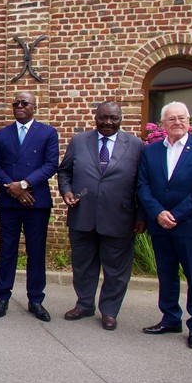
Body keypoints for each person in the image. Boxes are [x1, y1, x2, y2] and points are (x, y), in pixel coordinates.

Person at [137, 101, 192, 349]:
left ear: (189, 121)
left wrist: (176, 214)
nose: (177, 123)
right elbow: (143, 185)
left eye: (182, 118)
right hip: (160, 225)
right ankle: (170, 318)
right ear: (162, 124)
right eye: (171, 119)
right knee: (166, 276)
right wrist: (158, 213)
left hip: (191, 226)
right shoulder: (151, 151)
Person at [57, 101, 145, 331]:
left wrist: (142, 214)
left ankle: (109, 311)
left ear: (121, 119)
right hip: (82, 214)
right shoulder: (79, 141)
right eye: (103, 117)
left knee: (116, 269)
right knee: (83, 265)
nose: (107, 122)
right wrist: (66, 191)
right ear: (95, 117)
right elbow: (65, 171)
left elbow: (143, 183)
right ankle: (84, 304)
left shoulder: (136, 145)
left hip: (120, 217)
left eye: (113, 118)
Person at [0, 92, 58, 321]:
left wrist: (25, 184)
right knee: (7, 251)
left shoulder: (48, 133)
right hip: (9, 202)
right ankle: (3, 296)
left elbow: (51, 165)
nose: (19, 106)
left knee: (35, 252)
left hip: (36, 201)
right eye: (16, 103)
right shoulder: (1, 135)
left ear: (34, 107)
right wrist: (13, 188)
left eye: (24, 103)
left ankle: (36, 299)